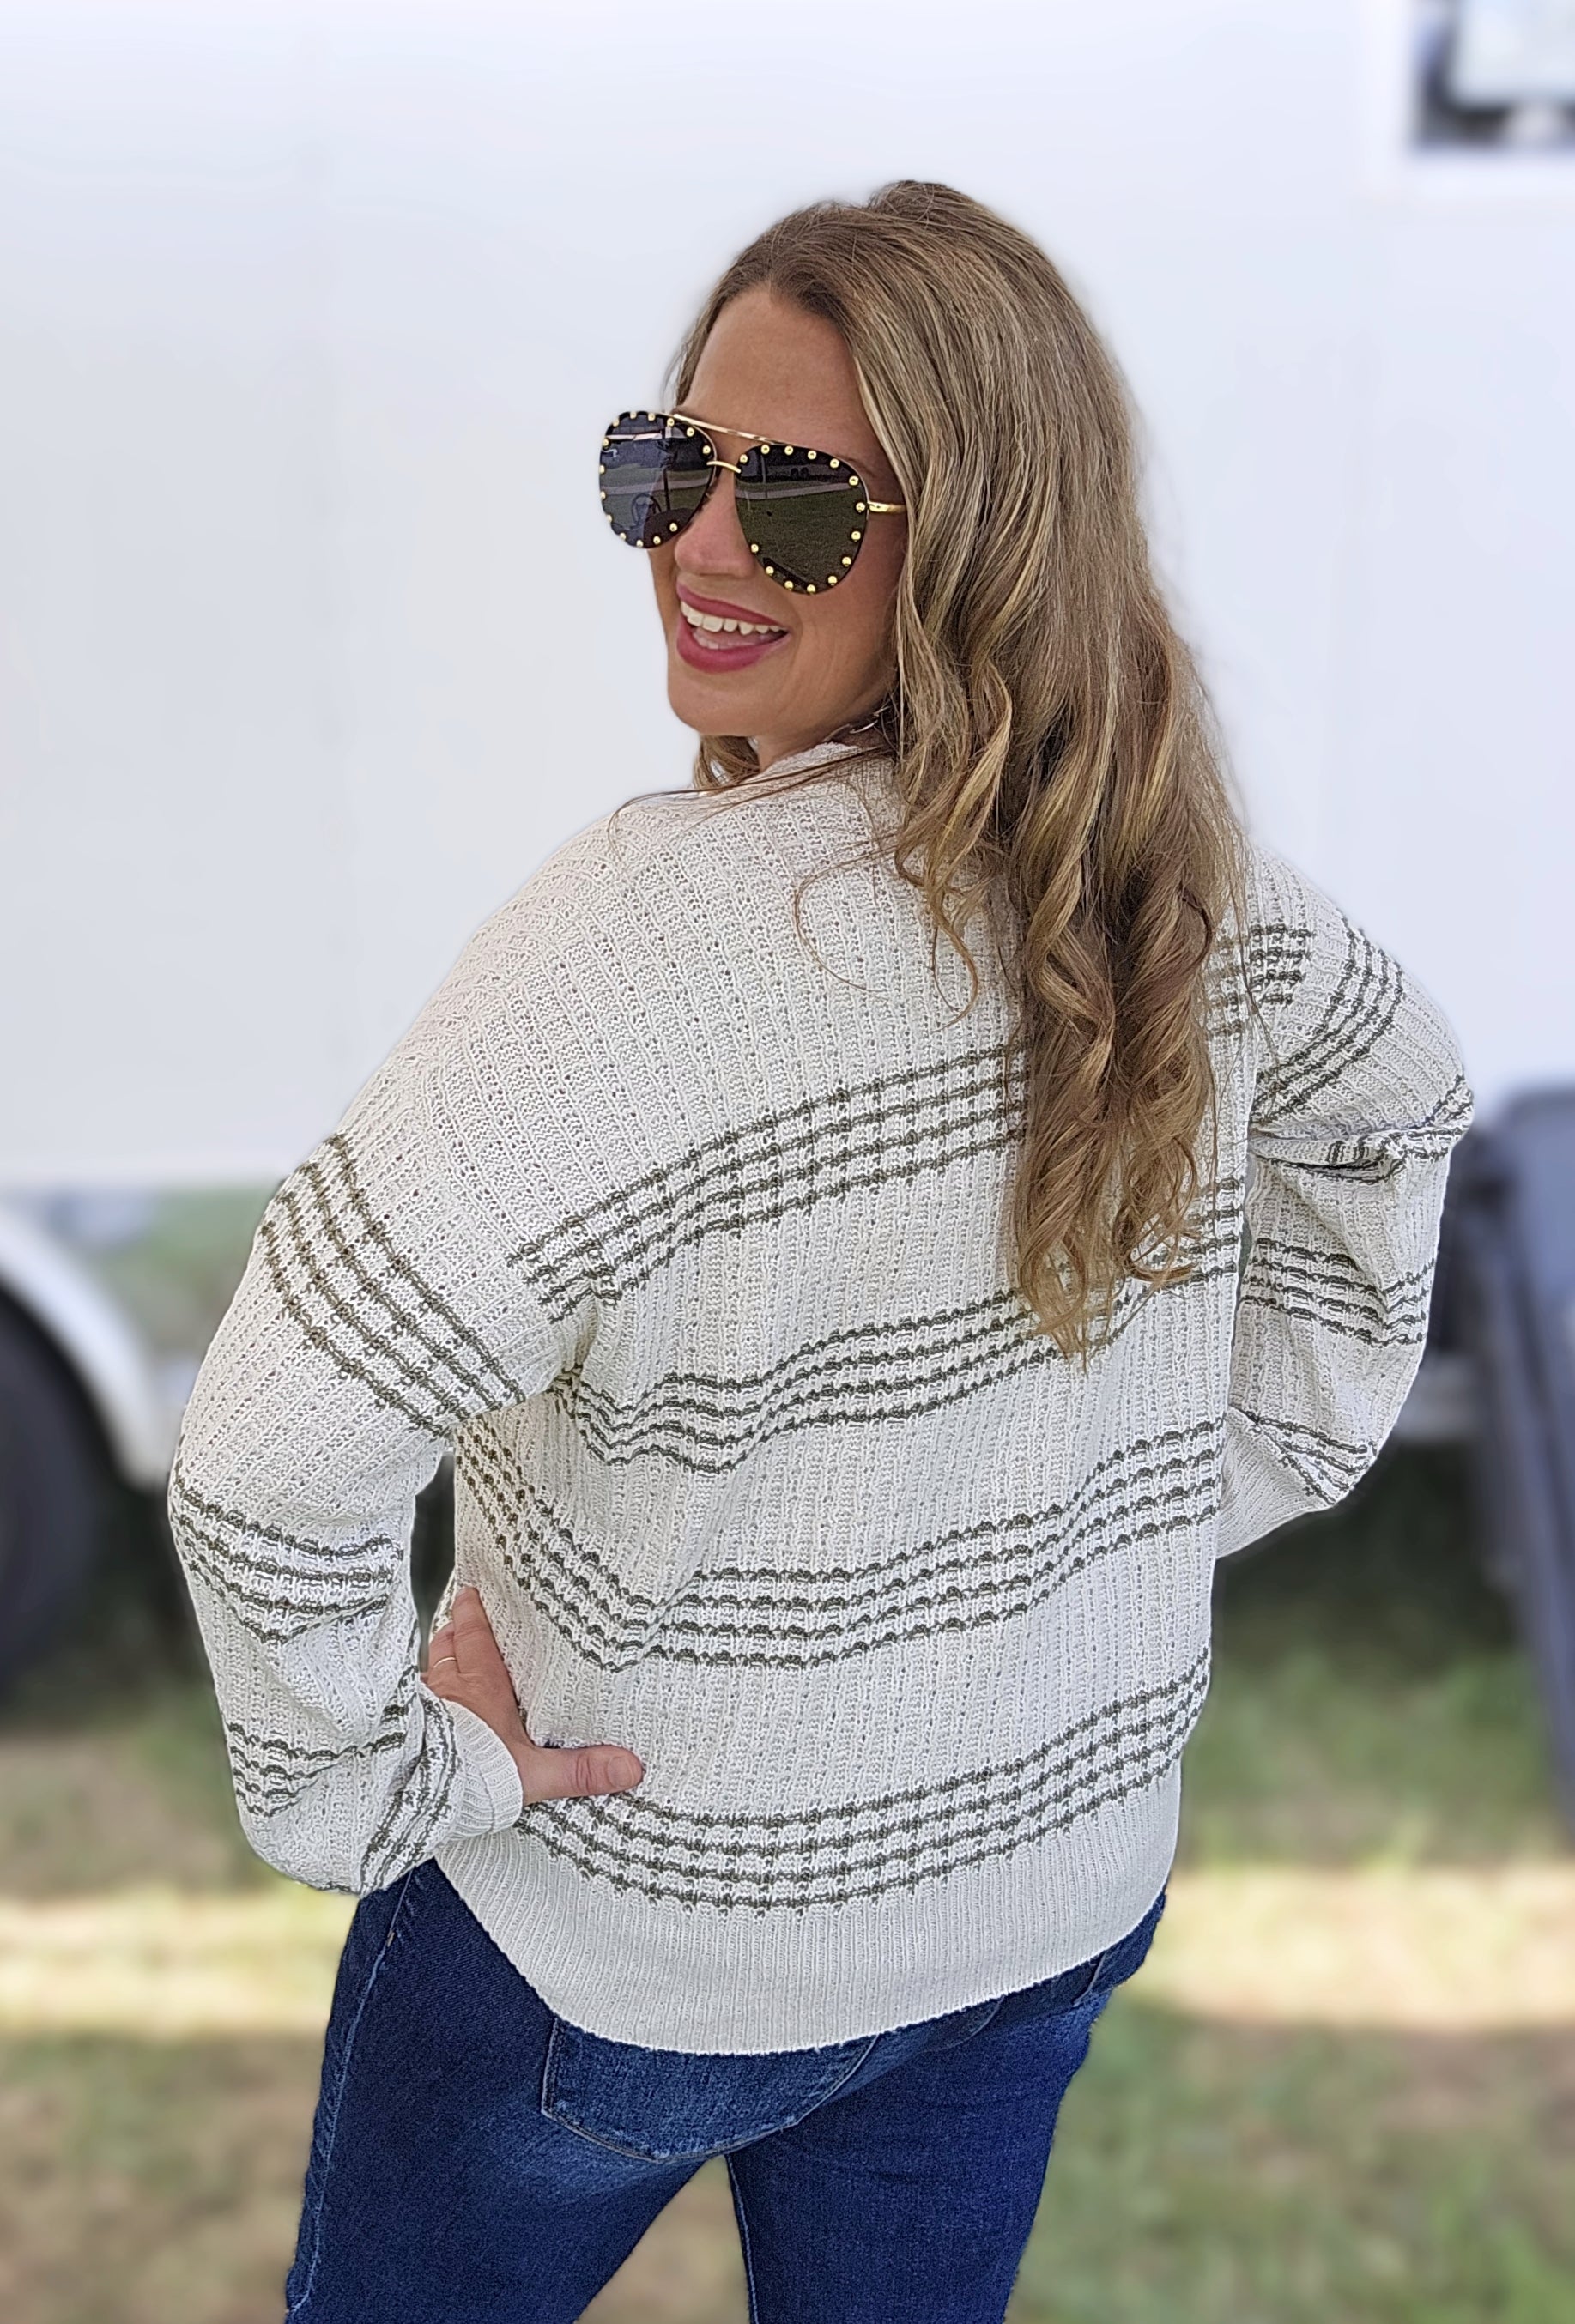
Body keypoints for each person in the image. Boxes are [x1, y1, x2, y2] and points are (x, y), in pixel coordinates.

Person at [167, 181, 1474, 2323]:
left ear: (980, 543)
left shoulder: (637, 956)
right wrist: (1222, 1473)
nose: (695, 542)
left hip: (622, 1944)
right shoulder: (1177, 885)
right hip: (1041, 1908)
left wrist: (382, 1789)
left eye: (790, 498)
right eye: (662, 464)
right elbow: (1399, 1103)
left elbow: (259, 1465)